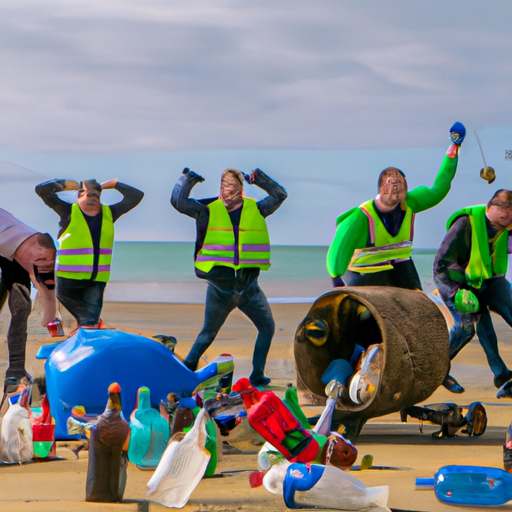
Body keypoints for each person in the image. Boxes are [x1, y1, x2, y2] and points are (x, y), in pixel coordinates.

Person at [171, 167, 287, 388]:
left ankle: (257, 375)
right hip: (220, 288)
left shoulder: (257, 209)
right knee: (207, 334)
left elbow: (280, 194)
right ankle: (184, 374)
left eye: (232, 186)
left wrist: (259, 179)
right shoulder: (208, 211)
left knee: (267, 328)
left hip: (249, 287)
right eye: (224, 186)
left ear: (241, 189)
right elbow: (179, 203)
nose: (227, 191)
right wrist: (188, 179)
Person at [327, 122, 465, 290]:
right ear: (381, 187)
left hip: (400, 265)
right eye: (391, 184)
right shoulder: (362, 216)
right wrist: (336, 279)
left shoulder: (410, 203)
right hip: (364, 270)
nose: (396, 189)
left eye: (400, 184)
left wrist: (453, 150)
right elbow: (339, 248)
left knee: (418, 301)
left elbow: (439, 189)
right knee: (362, 306)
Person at [35, 178, 144, 327]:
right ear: (79, 196)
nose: (93, 199)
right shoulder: (68, 211)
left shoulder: (109, 213)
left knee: (90, 323)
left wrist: (112, 183)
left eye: (96, 196)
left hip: (96, 282)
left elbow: (136, 196)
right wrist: (65, 184)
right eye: (88, 194)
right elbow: (42, 190)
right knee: (85, 322)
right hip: (69, 281)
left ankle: (83, 337)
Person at [433, 189, 512, 394]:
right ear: (491, 206)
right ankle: (436, 370)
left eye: (511, 209)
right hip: (456, 282)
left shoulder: (507, 228)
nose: (507, 214)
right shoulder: (465, 224)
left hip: (488, 280)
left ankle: (501, 375)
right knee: (466, 328)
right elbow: (440, 265)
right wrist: (455, 292)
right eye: (503, 208)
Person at [0, 207, 57, 388]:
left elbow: (48, 292)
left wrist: (51, 321)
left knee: (21, 308)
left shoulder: (37, 252)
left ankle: (16, 369)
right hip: (14, 249)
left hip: (18, 251)